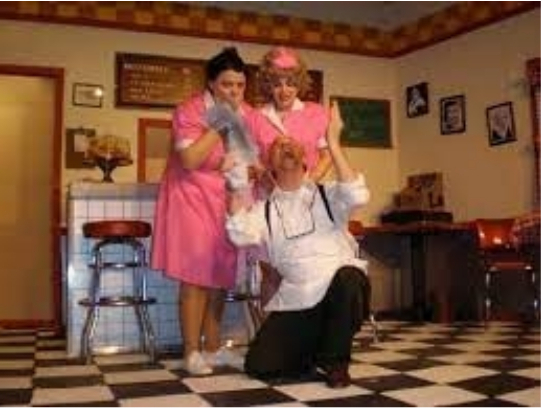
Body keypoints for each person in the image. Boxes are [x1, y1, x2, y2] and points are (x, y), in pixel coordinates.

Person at [225, 101, 371, 388]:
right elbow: (240, 233)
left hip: (339, 293)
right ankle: (314, 352)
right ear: (269, 164)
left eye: (291, 143)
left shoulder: (327, 195)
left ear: (306, 157)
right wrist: (236, 184)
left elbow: (357, 195)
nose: (285, 145)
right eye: (278, 145)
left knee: (349, 277)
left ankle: (336, 363)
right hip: (298, 300)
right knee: (259, 366)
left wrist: (333, 143)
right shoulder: (264, 210)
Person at [151, 47, 251, 376]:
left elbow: (251, 159)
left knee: (221, 275)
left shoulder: (246, 112)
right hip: (190, 197)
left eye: (240, 85)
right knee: (195, 275)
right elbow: (191, 159)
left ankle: (213, 348)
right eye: (226, 84)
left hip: (226, 200)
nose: (234, 92)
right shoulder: (189, 111)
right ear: (211, 83)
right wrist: (222, 122)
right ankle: (191, 352)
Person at [251, 46, 332, 184]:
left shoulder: (317, 114)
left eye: (290, 84)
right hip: (268, 193)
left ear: (299, 85)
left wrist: (307, 184)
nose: (284, 91)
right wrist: (273, 186)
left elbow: (327, 156)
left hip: (308, 192)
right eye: (277, 85)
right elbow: (252, 160)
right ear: (268, 86)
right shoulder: (255, 118)